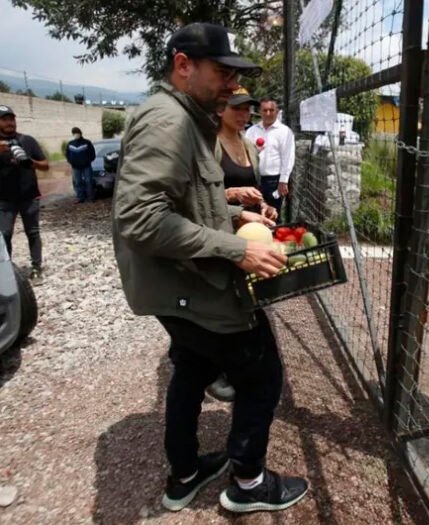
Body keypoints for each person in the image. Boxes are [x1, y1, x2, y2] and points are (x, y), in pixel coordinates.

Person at [112, 23, 308, 514]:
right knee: (261, 372)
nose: (231, 86)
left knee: (194, 366)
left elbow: (183, 197)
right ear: (183, 65)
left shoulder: (182, 117)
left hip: (173, 284)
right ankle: (249, 483)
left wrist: (233, 212)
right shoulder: (170, 122)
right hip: (187, 284)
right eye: (221, 72)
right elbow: (140, 218)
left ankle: (184, 473)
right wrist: (235, 247)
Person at [206, 87, 278, 403]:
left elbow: (257, 189)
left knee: (245, 298)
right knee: (221, 299)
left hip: (249, 231)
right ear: (220, 109)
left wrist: (265, 209)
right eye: (236, 107)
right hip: (220, 230)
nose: (242, 113)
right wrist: (232, 196)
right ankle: (215, 372)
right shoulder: (209, 145)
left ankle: (238, 363)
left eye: (246, 108)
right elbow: (195, 195)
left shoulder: (249, 146)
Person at [0, 104, 48, 285]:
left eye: (11, 119)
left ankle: (36, 268)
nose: (9, 123)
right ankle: (7, 272)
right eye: (4, 119)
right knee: (4, 235)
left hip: (29, 197)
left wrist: (31, 162)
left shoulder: (27, 141)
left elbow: (45, 165)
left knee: (33, 233)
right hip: (4, 200)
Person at [244, 97, 295, 217]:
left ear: (277, 111)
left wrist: (283, 181)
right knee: (253, 213)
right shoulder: (251, 131)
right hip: (254, 179)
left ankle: (273, 235)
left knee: (272, 214)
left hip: (274, 181)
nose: (268, 113)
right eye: (265, 110)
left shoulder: (285, 132)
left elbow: (288, 157)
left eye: (271, 110)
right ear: (259, 111)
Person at [65, 126, 97, 203]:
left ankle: (91, 198)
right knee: (78, 182)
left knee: (89, 181)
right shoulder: (70, 144)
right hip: (75, 167)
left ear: (80, 133)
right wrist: (71, 162)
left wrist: (88, 161)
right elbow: (67, 154)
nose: (76, 135)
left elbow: (92, 153)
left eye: (77, 133)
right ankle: (80, 198)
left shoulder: (87, 143)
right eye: (74, 133)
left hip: (86, 166)